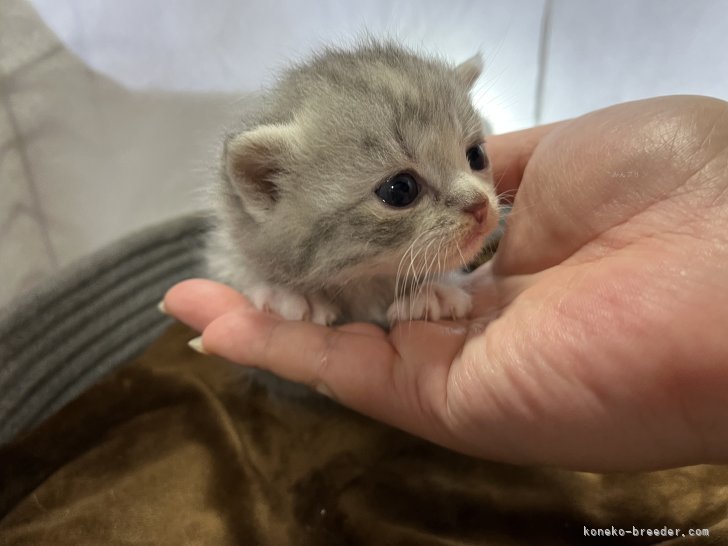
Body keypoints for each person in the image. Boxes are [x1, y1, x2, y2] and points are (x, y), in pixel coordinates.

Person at [163, 95, 728, 472]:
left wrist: (436, 277)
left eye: (473, 153)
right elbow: (238, 263)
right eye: (400, 191)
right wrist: (265, 289)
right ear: (267, 186)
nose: (476, 199)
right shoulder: (264, 236)